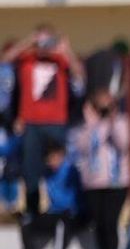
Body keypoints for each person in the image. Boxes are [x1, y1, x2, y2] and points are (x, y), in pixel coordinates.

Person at [2, 25, 83, 216]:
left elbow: (79, 74)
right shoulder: (27, 59)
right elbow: (5, 59)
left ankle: (65, 208)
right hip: (31, 123)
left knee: (59, 167)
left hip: (56, 122)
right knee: (31, 169)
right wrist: (30, 41)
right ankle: (32, 212)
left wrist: (66, 49)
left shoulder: (60, 60)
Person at [4, 137, 79, 249]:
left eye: (54, 157)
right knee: (26, 224)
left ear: (61, 154)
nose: (52, 161)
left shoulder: (71, 171)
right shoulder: (46, 173)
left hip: (70, 215)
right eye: (49, 158)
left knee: (61, 223)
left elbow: (75, 201)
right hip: (53, 213)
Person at [74, 88, 130, 249]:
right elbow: (83, 147)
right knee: (98, 222)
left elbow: (123, 144)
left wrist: (112, 120)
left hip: (116, 182)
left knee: (110, 220)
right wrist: (93, 123)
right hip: (93, 183)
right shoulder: (85, 127)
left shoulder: (121, 122)